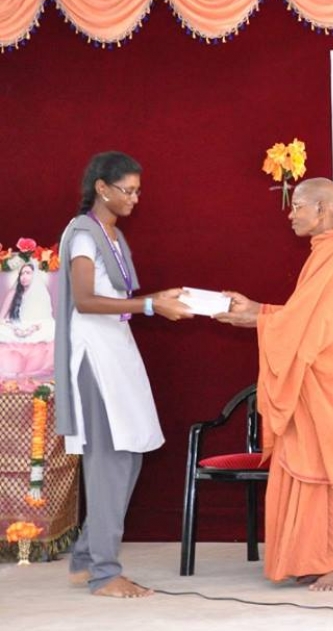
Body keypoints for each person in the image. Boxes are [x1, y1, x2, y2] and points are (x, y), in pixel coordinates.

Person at [214, 178, 333, 592]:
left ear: (323, 209)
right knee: (305, 473)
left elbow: (317, 325)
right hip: (314, 387)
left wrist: (258, 318)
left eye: (298, 206)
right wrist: (258, 309)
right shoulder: (324, 253)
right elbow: (305, 315)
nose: (291, 214)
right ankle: (312, 559)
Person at [54, 151, 193, 598]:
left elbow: (113, 297)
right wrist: (150, 305)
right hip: (93, 358)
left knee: (130, 455)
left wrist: (157, 298)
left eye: (137, 190)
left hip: (117, 352)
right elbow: (85, 300)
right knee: (109, 461)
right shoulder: (83, 234)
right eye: (127, 190)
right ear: (101, 188)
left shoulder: (112, 234)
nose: (135, 198)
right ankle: (104, 573)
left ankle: (84, 557)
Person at [0, 262, 56, 342]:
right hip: (15, 327)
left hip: (34, 328)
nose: (24, 276)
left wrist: (31, 329)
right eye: (21, 274)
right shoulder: (13, 293)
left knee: (52, 327)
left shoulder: (41, 294)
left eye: (28, 273)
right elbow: (1, 318)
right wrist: (15, 328)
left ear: (34, 276)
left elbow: (45, 319)